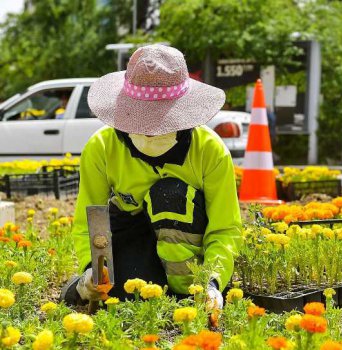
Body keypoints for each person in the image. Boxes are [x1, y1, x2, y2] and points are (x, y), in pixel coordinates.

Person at [61, 44, 242, 307]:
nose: (150, 133)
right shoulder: (101, 147)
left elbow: (225, 227)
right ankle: (83, 286)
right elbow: (92, 220)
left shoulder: (210, 151)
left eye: (160, 125)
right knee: (130, 296)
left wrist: (212, 281)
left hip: (188, 236)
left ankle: (185, 290)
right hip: (131, 229)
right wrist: (94, 267)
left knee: (169, 194)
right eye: (142, 124)